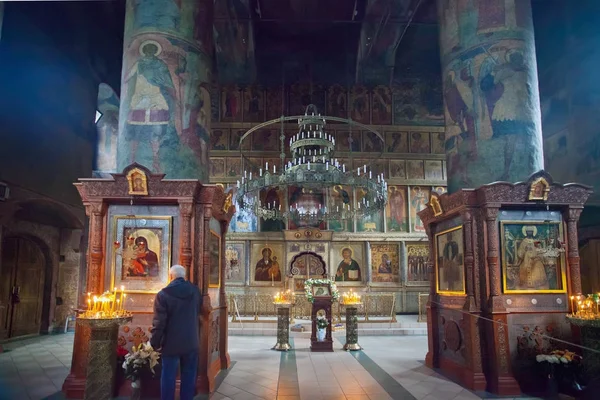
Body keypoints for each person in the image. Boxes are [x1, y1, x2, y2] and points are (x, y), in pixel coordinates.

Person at [151, 265, 202, 400]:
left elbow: (159, 322)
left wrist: (154, 343)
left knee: (168, 376)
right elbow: (198, 311)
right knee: (189, 376)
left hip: (170, 343)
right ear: (184, 276)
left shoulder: (163, 294)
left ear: (170, 276)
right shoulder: (195, 291)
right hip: (191, 341)